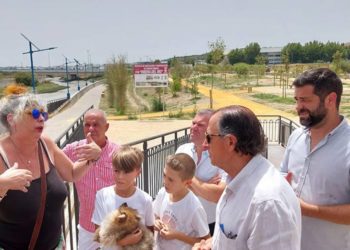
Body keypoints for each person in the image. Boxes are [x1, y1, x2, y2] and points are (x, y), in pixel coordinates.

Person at [0, 89, 100, 249]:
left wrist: (92, 157)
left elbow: (72, 173)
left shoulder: (45, 143)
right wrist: (2, 184)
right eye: (33, 114)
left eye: (43, 115)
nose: (41, 119)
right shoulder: (1, 154)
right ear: (12, 120)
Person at [193, 105, 301, 250]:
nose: (205, 145)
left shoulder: (266, 203)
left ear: (230, 142)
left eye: (208, 137)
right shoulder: (237, 179)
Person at [280, 68, 350, 250]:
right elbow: (283, 176)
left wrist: (307, 210)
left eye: (305, 100)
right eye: (297, 100)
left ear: (330, 99)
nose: (298, 107)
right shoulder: (295, 136)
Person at [63, 108, 119, 250]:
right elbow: (52, 162)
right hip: (87, 226)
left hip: (114, 225)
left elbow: (131, 182)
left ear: (106, 127)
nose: (91, 129)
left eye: (96, 125)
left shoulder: (118, 152)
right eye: (87, 125)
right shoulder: (73, 150)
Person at [92, 145, 154, 250]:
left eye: (126, 172)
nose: (120, 177)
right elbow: (98, 236)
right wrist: (123, 242)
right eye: (116, 171)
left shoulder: (146, 199)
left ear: (138, 172)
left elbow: (150, 232)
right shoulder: (102, 195)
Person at [176, 109, 226, 235]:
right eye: (193, 123)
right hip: (181, 220)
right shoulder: (182, 150)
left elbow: (218, 195)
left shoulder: (220, 156)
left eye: (200, 125)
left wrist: (186, 179)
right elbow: (171, 186)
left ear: (211, 130)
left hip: (209, 223)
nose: (194, 127)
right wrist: (205, 185)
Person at [154, 153, 210, 250]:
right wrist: (156, 222)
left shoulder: (194, 208)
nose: (165, 182)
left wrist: (177, 235)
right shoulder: (163, 193)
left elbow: (207, 240)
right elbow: (156, 215)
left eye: (171, 180)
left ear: (187, 183)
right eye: (164, 175)